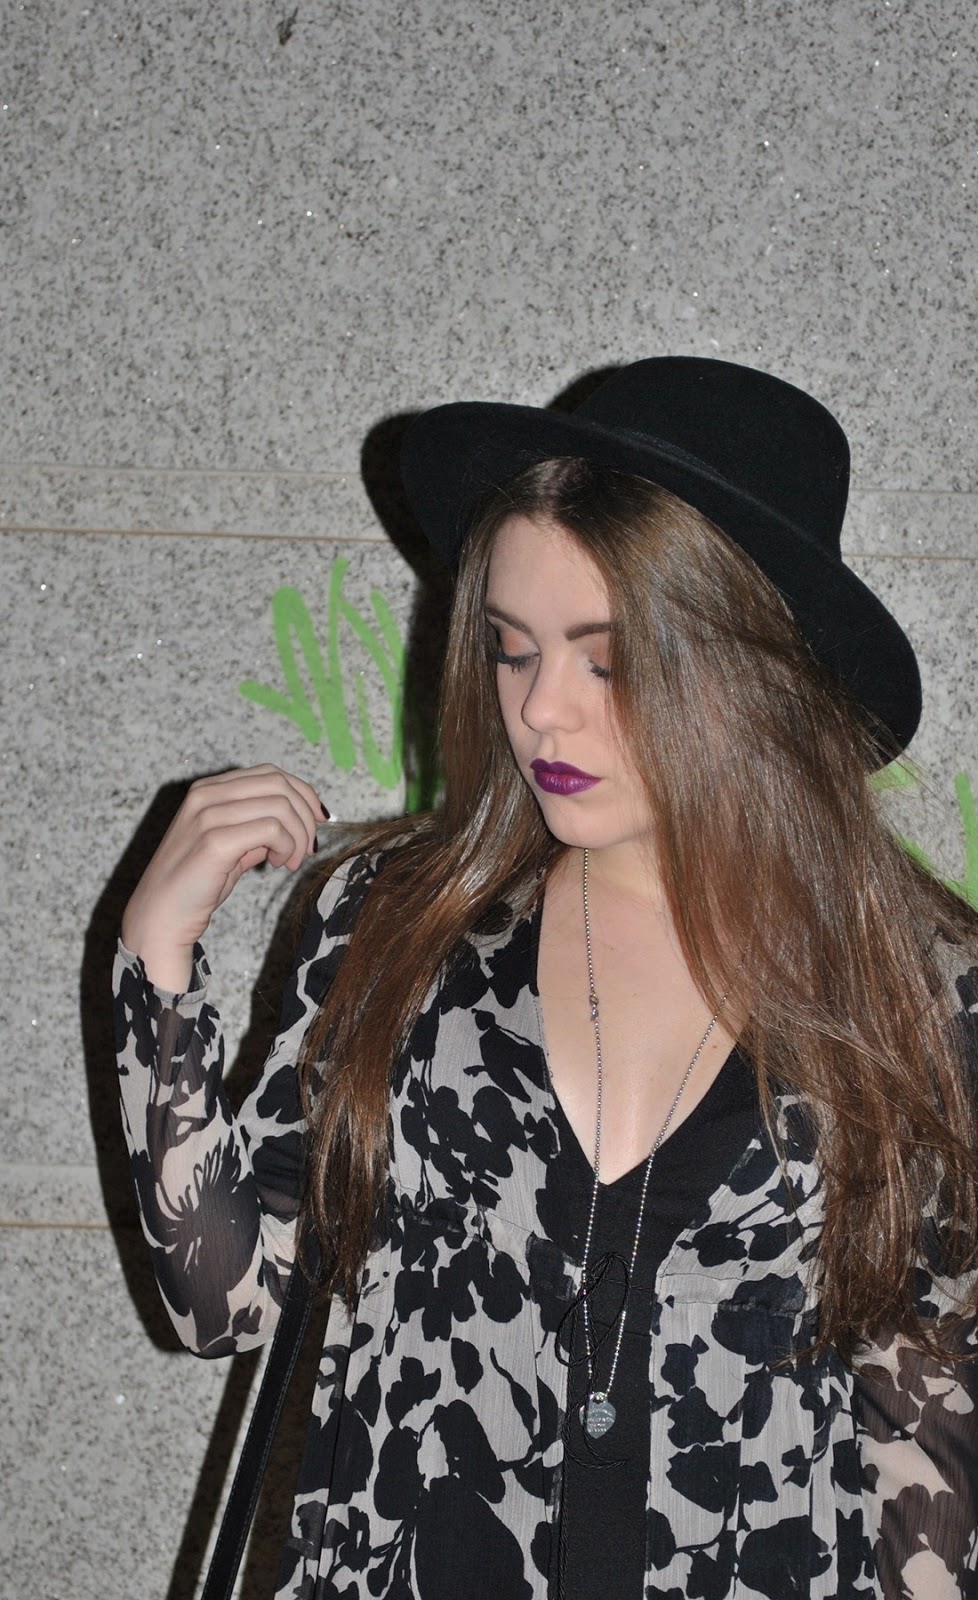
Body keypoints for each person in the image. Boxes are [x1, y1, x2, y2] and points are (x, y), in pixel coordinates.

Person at [115, 358, 978, 1600]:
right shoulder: (399, 929)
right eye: (512, 652)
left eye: (604, 662)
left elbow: (930, 1420)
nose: (541, 715)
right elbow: (226, 1298)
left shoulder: (919, 990)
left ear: (752, 664)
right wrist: (156, 957)